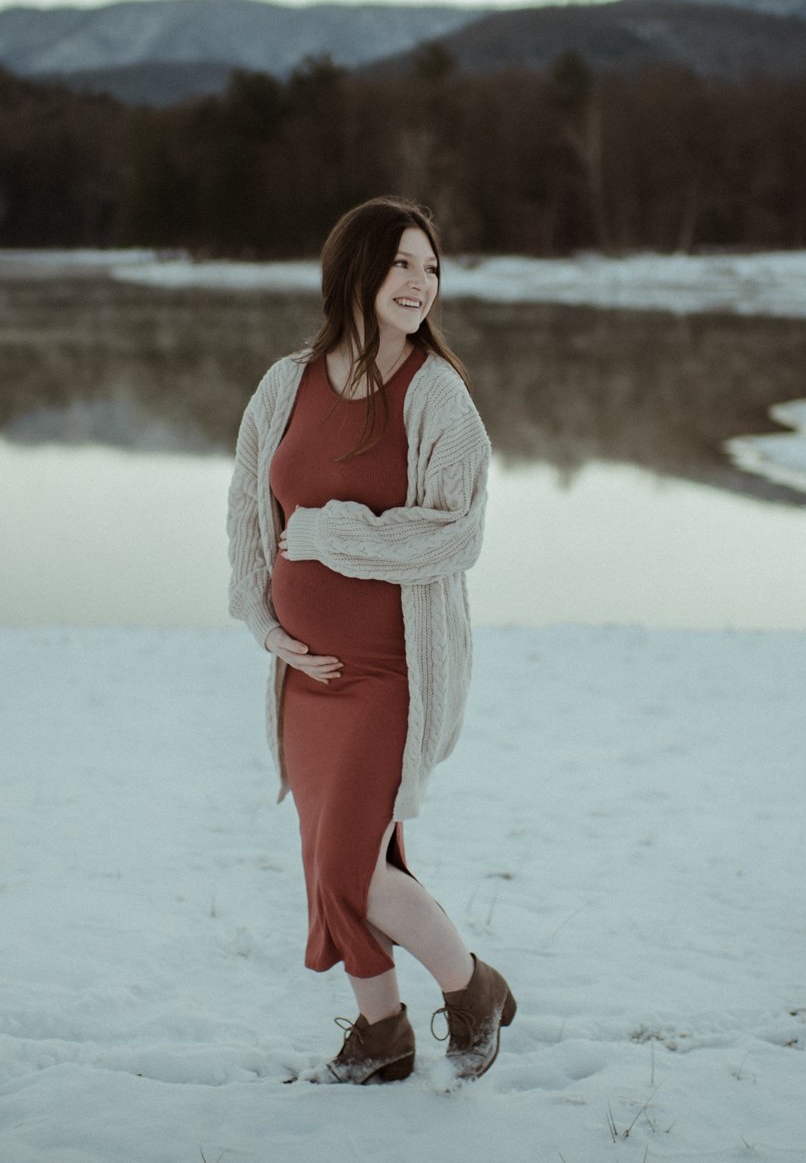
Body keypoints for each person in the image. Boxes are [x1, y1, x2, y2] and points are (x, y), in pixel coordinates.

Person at [225, 195, 515, 1085]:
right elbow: (247, 507)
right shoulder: (287, 382)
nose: (420, 283)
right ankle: (382, 1032)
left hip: (391, 675)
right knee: (329, 865)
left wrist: (333, 535)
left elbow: (456, 535)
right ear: (355, 270)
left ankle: (474, 987)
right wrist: (266, 623)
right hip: (306, 677)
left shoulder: (438, 396)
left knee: (351, 870)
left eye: (431, 267)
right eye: (402, 264)